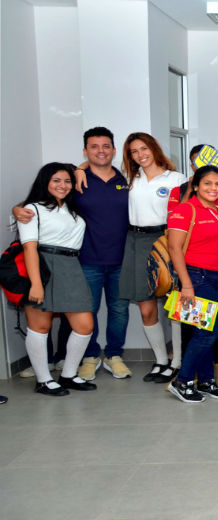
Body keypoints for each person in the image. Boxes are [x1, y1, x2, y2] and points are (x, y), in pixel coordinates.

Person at [14, 128, 131, 382]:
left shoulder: (126, 178)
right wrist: (18, 209)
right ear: (85, 151)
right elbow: (38, 207)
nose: (101, 150)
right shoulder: (78, 181)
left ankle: (112, 356)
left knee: (116, 311)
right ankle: (83, 361)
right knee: (64, 319)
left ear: (113, 149)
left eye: (106, 146)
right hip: (83, 262)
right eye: (94, 146)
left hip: (116, 260)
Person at [104, 132, 187, 381]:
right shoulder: (130, 179)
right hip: (136, 242)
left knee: (174, 307)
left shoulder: (176, 178)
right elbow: (96, 168)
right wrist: (82, 167)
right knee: (146, 307)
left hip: (166, 240)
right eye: (134, 151)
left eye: (144, 149)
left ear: (154, 148)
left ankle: (177, 362)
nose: (140, 155)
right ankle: (160, 361)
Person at [17, 162, 97, 395]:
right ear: (45, 182)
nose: (63, 185)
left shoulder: (71, 208)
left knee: (85, 326)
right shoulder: (32, 209)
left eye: (67, 181)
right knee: (40, 327)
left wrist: (81, 168)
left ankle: (69, 375)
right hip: (43, 266)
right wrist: (36, 283)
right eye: (56, 180)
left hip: (71, 266)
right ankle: (43, 380)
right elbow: (29, 248)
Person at [166, 165, 218, 402]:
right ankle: (182, 380)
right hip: (196, 277)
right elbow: (174, 248)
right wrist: (186, 284)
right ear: (196, 185)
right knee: (206, 333)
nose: (213, 188)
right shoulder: (185, 210)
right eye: (207, 183)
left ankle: (206, 381)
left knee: (207, 332)